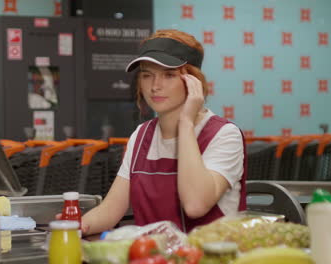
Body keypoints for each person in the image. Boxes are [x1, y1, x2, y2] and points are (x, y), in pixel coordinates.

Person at [64, 29, 247, 235]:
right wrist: (73, 228)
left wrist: (186, 122)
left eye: (169, 75)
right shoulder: (141, 136)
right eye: (146, 75)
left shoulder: (224, 135)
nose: (155, 86)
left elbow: (196, 205)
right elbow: (110, 210)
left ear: (193, 81)